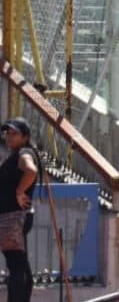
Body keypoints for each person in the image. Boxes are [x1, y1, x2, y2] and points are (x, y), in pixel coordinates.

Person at [0, 118, 37, 302]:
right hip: (13, 218)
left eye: (14, 133)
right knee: (20, 266)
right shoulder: (16, 154)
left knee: (16, 265)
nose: (8, 136)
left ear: (25, 137)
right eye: (7, 132)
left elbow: (31, 170)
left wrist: (19, 191)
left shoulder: (24, 152)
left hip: (13, 218)